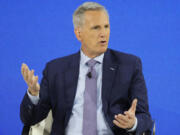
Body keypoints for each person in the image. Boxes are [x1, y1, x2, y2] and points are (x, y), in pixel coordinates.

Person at [20, 2, 153, 135]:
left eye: (106, 27)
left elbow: (145, 117)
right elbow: (31, 119)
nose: (103, 34)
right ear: (79, 33)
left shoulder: (129, 65)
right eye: (96, 28)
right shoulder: (55, 70)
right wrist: (33, 95)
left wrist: (133, 123)